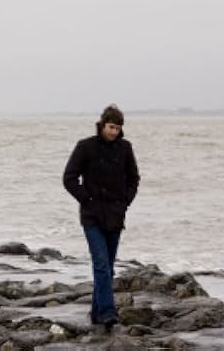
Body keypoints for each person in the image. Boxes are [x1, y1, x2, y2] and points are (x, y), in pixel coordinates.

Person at [63, 104, 140, 330]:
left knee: (107, 265)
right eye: (110, 127)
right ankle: (108, 312)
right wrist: (86, 199)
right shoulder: (85, 147)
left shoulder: (125, 149)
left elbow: (134, 178)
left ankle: (97, 312)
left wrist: (126, 200)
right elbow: (69, 178)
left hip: (116, 216)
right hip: (92, 216)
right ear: (102, 124)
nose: (113, 132)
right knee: (101, 265)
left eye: (117, 128)